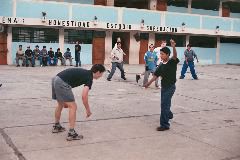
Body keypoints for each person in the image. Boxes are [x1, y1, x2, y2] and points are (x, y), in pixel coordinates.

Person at [51, 64, 106, 141]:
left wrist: (66, 102)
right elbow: (84, 96)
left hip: (56, 79)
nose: (101, 76)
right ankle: (71, 133)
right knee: (73, 107)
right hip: (62, 82)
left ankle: (57, 126)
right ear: (97, 72)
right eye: (101, 74)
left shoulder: (85, 72)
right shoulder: (89, 78)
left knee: (60, 104)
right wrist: (88, 110)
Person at [144, 39, 179, 131]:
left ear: (167, 54)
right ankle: (169, 114)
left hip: (170, 87)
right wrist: (148, 83)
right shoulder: (161, 65)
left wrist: (173, 46)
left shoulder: (172, 62)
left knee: (164, 105)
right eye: (160, 54)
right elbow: (156, 75)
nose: (161, 55)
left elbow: (175, 56)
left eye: (163, 54)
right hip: (164, 87)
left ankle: (164, 125)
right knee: (164, 104)